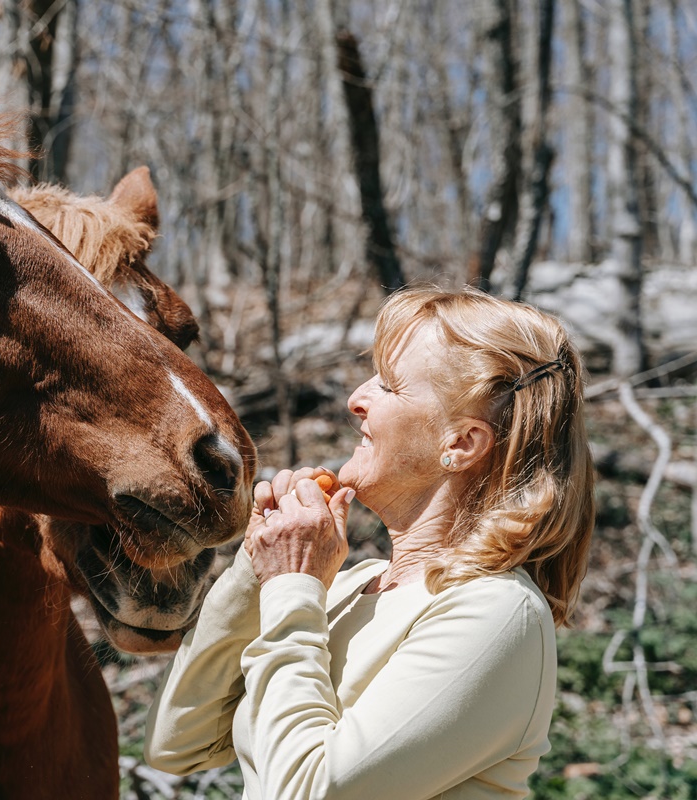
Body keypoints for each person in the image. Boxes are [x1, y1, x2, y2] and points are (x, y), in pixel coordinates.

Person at [144, 286, 594, 800]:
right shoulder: (343, 586)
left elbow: (310, 791)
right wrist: (258, 572)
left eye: (389, 384)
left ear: (461, 443)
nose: (356, 398)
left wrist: (293, 585)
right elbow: (177, 745)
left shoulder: (496, 614)